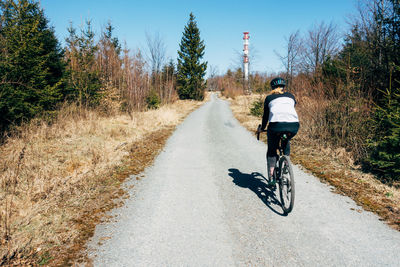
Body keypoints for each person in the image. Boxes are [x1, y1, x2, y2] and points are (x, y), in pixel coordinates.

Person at [256, 77, 300, 180]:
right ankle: (286, 162)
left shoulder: (269, 98)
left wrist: (262, 128)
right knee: (286, 139)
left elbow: (266, 116)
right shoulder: (291, 96)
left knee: (271, 150)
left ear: (272, 87)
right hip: (293, 125)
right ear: (284, 87)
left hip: (275, 126)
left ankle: (271, 175)